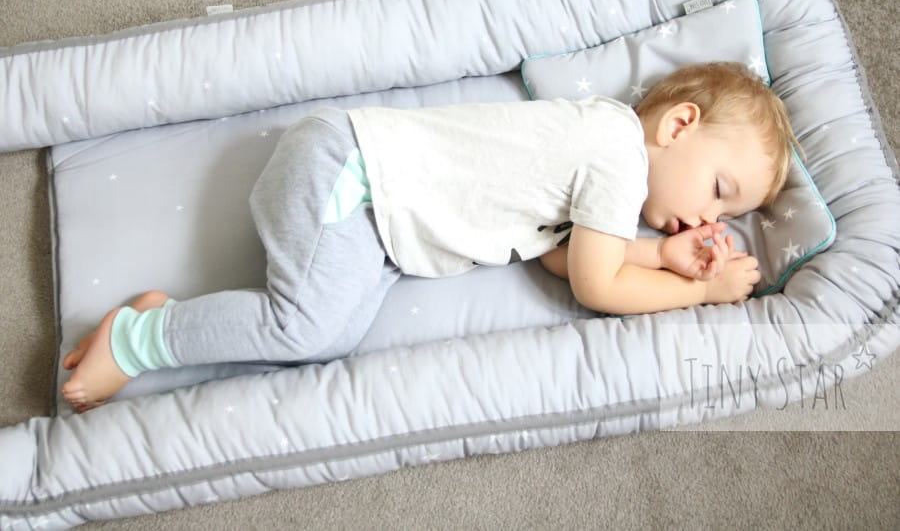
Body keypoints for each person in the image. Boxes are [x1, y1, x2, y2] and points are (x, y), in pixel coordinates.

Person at [60, 61, 803, 413]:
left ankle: (164, 315)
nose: (708, 222)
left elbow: (561, 258)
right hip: (349, 173)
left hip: (373, 220)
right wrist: (700, 291)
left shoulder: (604, 167)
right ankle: (134, 340)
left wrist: (662, 256)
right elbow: (594, 283)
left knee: (330, 337)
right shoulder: (617, 154)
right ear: (678, 125)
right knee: (306, 326)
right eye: (718, 192)